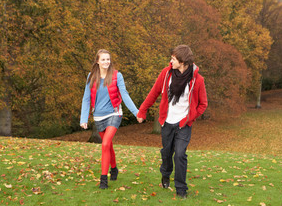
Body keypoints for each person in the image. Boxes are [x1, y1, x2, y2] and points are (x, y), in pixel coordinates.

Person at [137, 45, 208, 199]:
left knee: (180, 154)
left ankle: (181, 189)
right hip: (167, 122)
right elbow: (154, 92)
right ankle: (165, 174)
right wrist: (142, 111)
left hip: (184, 124)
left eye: (174, 59)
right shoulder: (166, 73)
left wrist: (190, 117)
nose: (171, 61)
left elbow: (203, 104)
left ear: (182, 62)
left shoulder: (197, 80)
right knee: (167, 153)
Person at [80, 49, 139, 189]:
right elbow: (86, 98)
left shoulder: (117, 76)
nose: (106, 62)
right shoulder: (91, 76)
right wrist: (84, 118)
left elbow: (124, 95)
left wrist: (136, 112)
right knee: (109, 145)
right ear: (97, 61)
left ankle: (103, 180)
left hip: (114, 113)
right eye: (103, 59)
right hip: (98, 116)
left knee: (105, 143)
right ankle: (114, 168)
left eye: (108, 59)